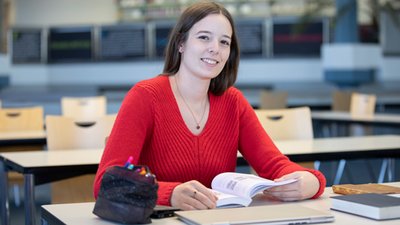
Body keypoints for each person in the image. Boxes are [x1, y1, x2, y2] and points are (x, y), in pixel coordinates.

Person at [94, 1, 326, 211]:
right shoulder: (145, 96)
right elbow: (106, 182)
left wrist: (312, 182)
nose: (215, 48)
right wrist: (170, 193)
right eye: (204, 37)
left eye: (224, 42)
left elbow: (274, 164)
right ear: (181, 43)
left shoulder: (232, 101)